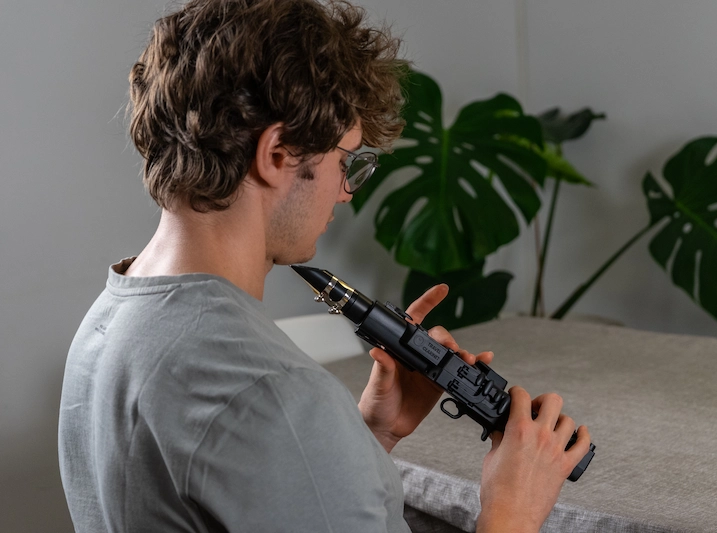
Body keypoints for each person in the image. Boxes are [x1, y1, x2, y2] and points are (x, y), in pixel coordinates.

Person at [57, 0, 592, 531]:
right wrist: (512, 509)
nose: (346, 192)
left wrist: (369, 436)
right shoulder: (273, 391)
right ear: (277, 154)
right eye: (345, 160)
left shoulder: (106, 324)